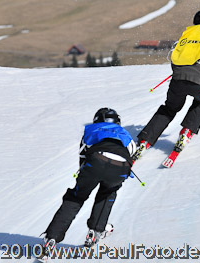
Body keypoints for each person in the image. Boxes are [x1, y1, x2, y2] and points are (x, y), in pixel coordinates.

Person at [134, 9, 200, 163]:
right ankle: (187, 131)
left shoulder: (187, 33)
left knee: (169, 108)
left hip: (177, 79)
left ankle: (145, 140)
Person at [42, 108, 136, 254]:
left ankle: (52, 238)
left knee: (76, 197)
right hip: (121, 166)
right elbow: (131, 155)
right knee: (107, 193)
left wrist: (84, 177)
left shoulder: (92, 129)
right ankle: (95, 231)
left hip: (97, 161)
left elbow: (83, 155)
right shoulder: (126, 135)